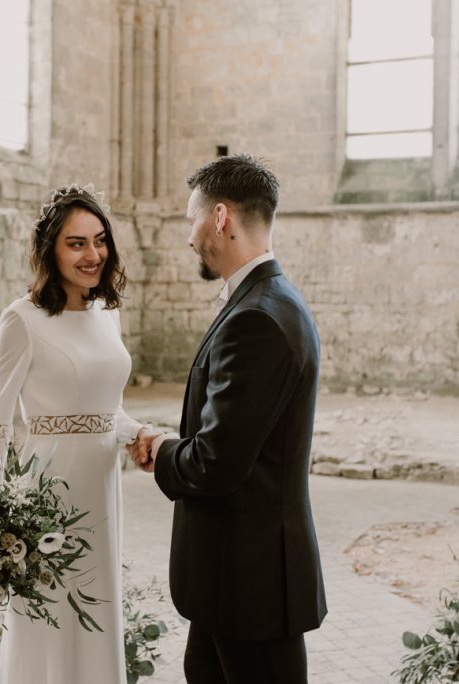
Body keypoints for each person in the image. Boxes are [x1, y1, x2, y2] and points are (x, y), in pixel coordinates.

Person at [133, 155, 327, 683]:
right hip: (233, 582)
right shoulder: (267, 301)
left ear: (220, 217)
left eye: (190, 219)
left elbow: (218, 462)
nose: (188, 236)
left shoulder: (256, 318)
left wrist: (160, 447)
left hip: (252, 586)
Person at [0, 184, 147, 684]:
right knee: (47, 620)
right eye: (76, 243)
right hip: (47, 497)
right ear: (50, 248)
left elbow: (106, 411)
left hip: (101, 490)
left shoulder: (107, 312)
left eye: (99, 240)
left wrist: (141, 435)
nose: (92, 255)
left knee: (97, 613)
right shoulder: (22, 320)